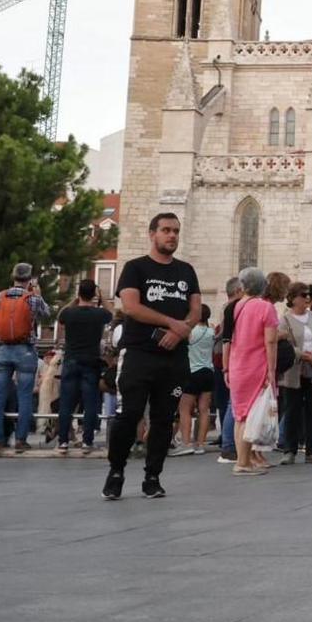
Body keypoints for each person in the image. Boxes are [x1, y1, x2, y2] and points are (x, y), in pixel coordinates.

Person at [103, 213, 201, 500]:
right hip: (139, 353)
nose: (172, 236)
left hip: (174, 357)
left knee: (163, 417)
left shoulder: (186, 271)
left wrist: (182, 331)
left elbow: (195, 308)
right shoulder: (136, 268)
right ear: (152, 234)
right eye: (166, 230)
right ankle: (117, 470)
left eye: (176, 231)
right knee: (129, 413)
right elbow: (132, 307)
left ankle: (152, 476)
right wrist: (172, 324)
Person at [0, 263, 49, 454]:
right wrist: (37, 293)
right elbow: (46, 314)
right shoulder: (32, 298)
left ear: (12, 276)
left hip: (3, 349)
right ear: (30, 279)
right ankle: (21, 440)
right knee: (24, 396)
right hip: (25, 351)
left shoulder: (0, 295)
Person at [227, 269, 282, 474]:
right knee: (251, 413)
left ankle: (243, 460)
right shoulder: (265, 308)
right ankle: (243, 462)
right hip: (256, 366)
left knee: (240, 414)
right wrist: (272, 369)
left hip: (236, 365)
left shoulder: (234, 307)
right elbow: (270, 340)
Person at [53, 280, 111, 456]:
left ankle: (63, 442)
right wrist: (101, 297)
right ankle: (87, 441)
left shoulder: (70, 313)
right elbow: (112, 314)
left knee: (66, 403)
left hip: (71, 360)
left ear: (79, 293)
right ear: (94, 294)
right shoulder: (99, 314)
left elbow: (60, 316)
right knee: (90, 402)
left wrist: (75, 300)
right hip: (91, 361)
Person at [277, 281, 312, 465]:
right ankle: (289, 450)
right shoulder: (286, 319)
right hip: (294, 371)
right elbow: (285, 345)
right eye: (303, 295)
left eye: (308, 295)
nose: (307, 298)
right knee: (292, 410)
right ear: (293, 298)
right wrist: (304, 355)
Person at [171, 304, 216, 456]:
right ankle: (201, 443)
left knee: (185, 409)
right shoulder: (211, 332)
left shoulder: (190, 332)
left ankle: (186, 442)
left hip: (192, 371)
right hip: (208, 371)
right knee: (204, 410)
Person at [215, 276, 242, 462]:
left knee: (228, 402)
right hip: (227, 360)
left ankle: (228, 441)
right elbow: (228, 337)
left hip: (223, 360)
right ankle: (228, 444)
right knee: (231, 403)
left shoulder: (228, 307)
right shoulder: (231, 308)